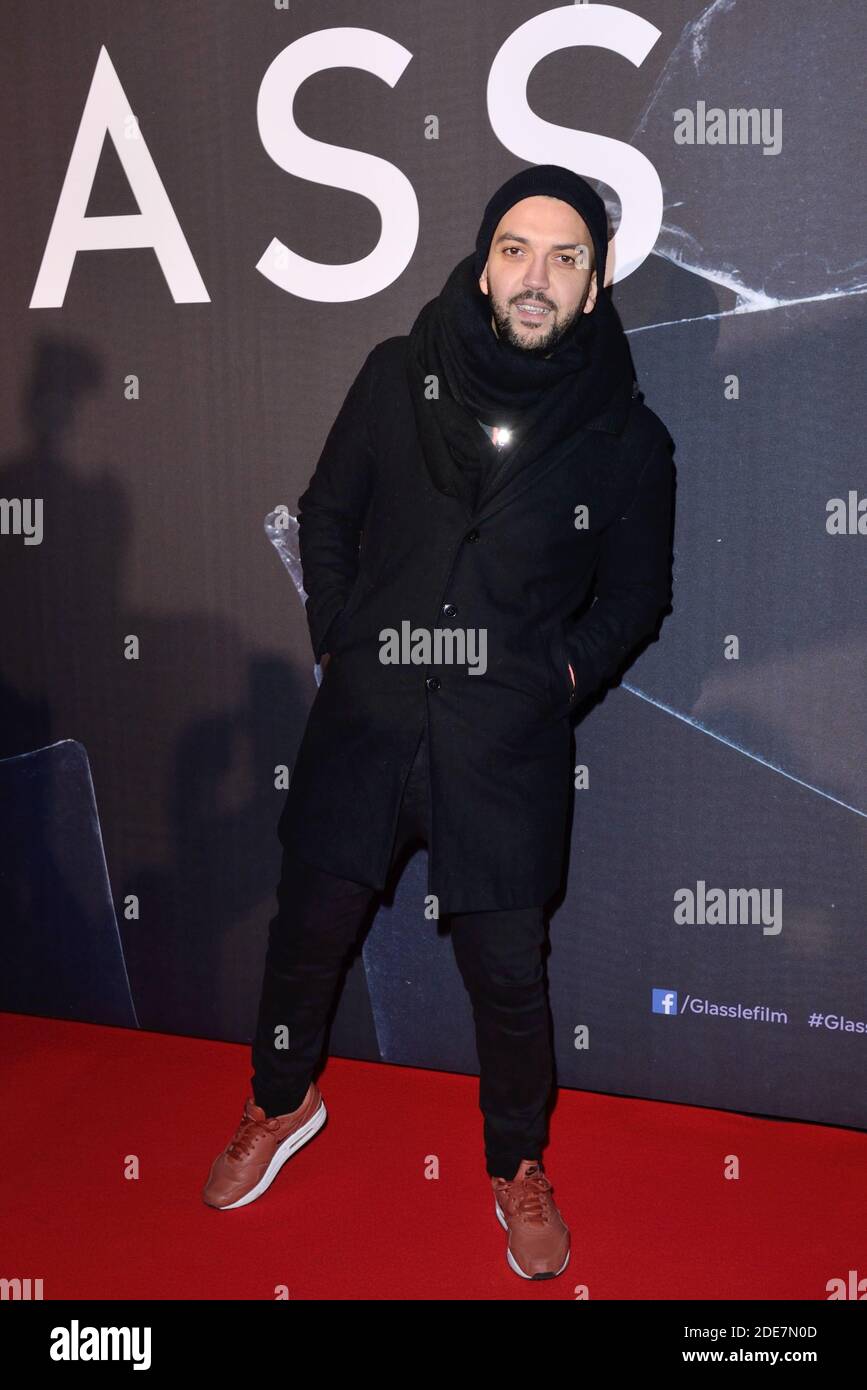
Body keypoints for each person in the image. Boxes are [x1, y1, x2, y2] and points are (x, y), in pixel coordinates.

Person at [203, 164, 676, 1282]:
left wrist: (557, 676)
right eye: (518, 248)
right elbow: (328, 514)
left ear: (597, 285)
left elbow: (638, 597)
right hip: (366, 724)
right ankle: (281, 1102)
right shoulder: (395, 374)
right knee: (303, 941)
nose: (537, 275)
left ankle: (516, 1163)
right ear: (481, 258)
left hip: (502, 748)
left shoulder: (628, 440)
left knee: (511, 979)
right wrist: (339, 639)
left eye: (567, 257)